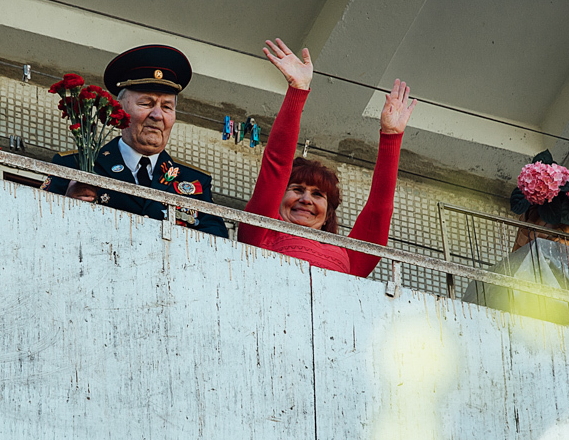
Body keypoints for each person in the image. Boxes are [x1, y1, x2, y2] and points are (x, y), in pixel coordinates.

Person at [239, 38, 414, 276]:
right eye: (297, 189)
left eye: (318, 195)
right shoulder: (260, 231)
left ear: (327, 215)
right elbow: (277, 164)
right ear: (276, 199)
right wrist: (297, 91)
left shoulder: (350, 256)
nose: (306, 199)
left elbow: (379, 210)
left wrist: (391, 136)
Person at [47, 45, 228, 238]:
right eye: (146, 104)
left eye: (167, 107)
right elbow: (37, 227)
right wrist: (66, 207)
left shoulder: (194, 181)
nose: (157, 115)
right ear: (120, 108)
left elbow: (219, 245)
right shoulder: (73, 166)